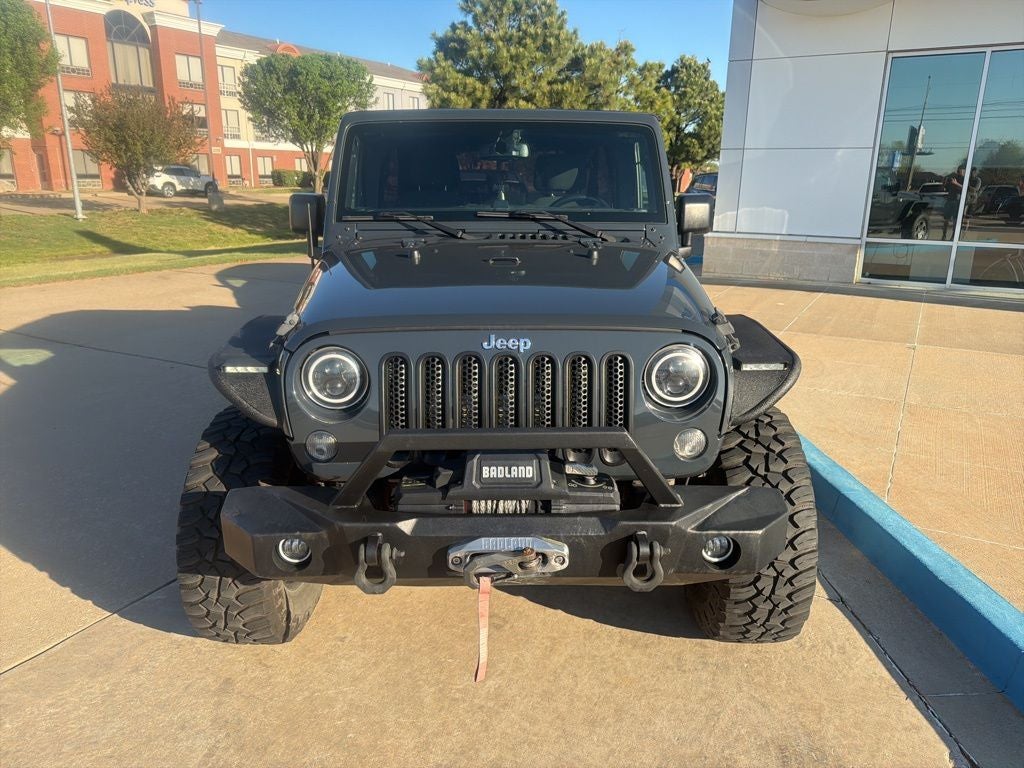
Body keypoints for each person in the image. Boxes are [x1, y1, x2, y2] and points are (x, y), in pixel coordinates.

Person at [941, 166, 965, 239]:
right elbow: (945, 189)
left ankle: (953, 237)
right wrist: (944, 183)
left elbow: (965, 188)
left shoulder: (964, 179)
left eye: (961, 170)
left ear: (964, 171)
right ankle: (944, 235)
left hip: (957, 201)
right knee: (946, 220)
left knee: (955, 220)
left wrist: (956, 183)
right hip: (949, 200)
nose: (959, 171)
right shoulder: (952, 178)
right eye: (958, 170)